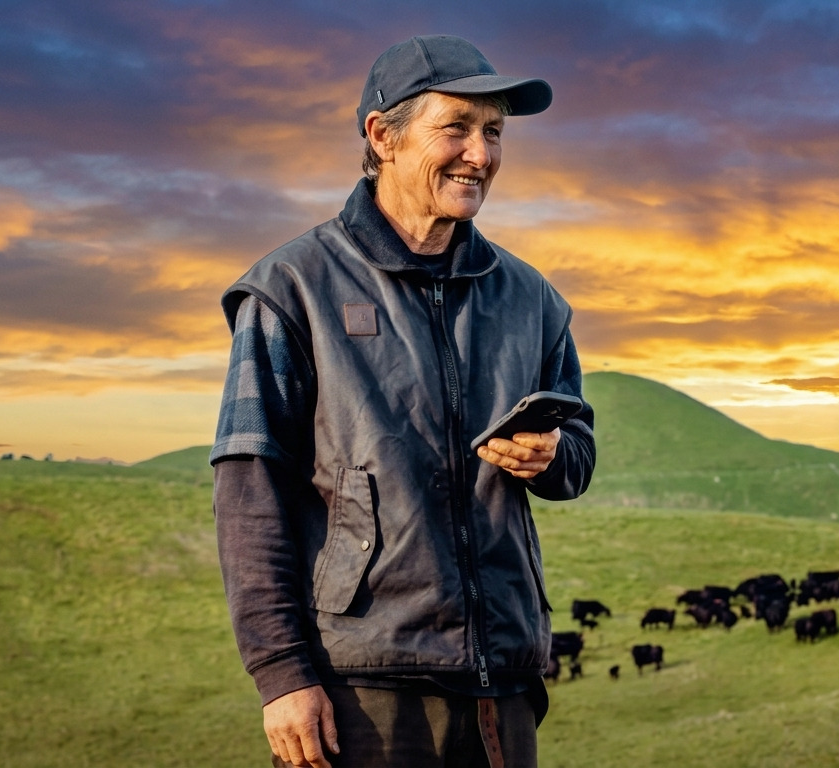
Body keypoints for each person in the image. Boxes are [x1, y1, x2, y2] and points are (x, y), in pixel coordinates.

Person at [210, 35, 595, 768]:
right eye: (456, 127)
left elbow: (578, 453)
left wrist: (550, 456)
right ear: (382, 136)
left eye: (493, 132)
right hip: (360, 686)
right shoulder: (292, 288)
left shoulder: (531, 299)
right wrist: (282, 674)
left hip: (502, 680)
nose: (480, 155)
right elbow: (249, 490)